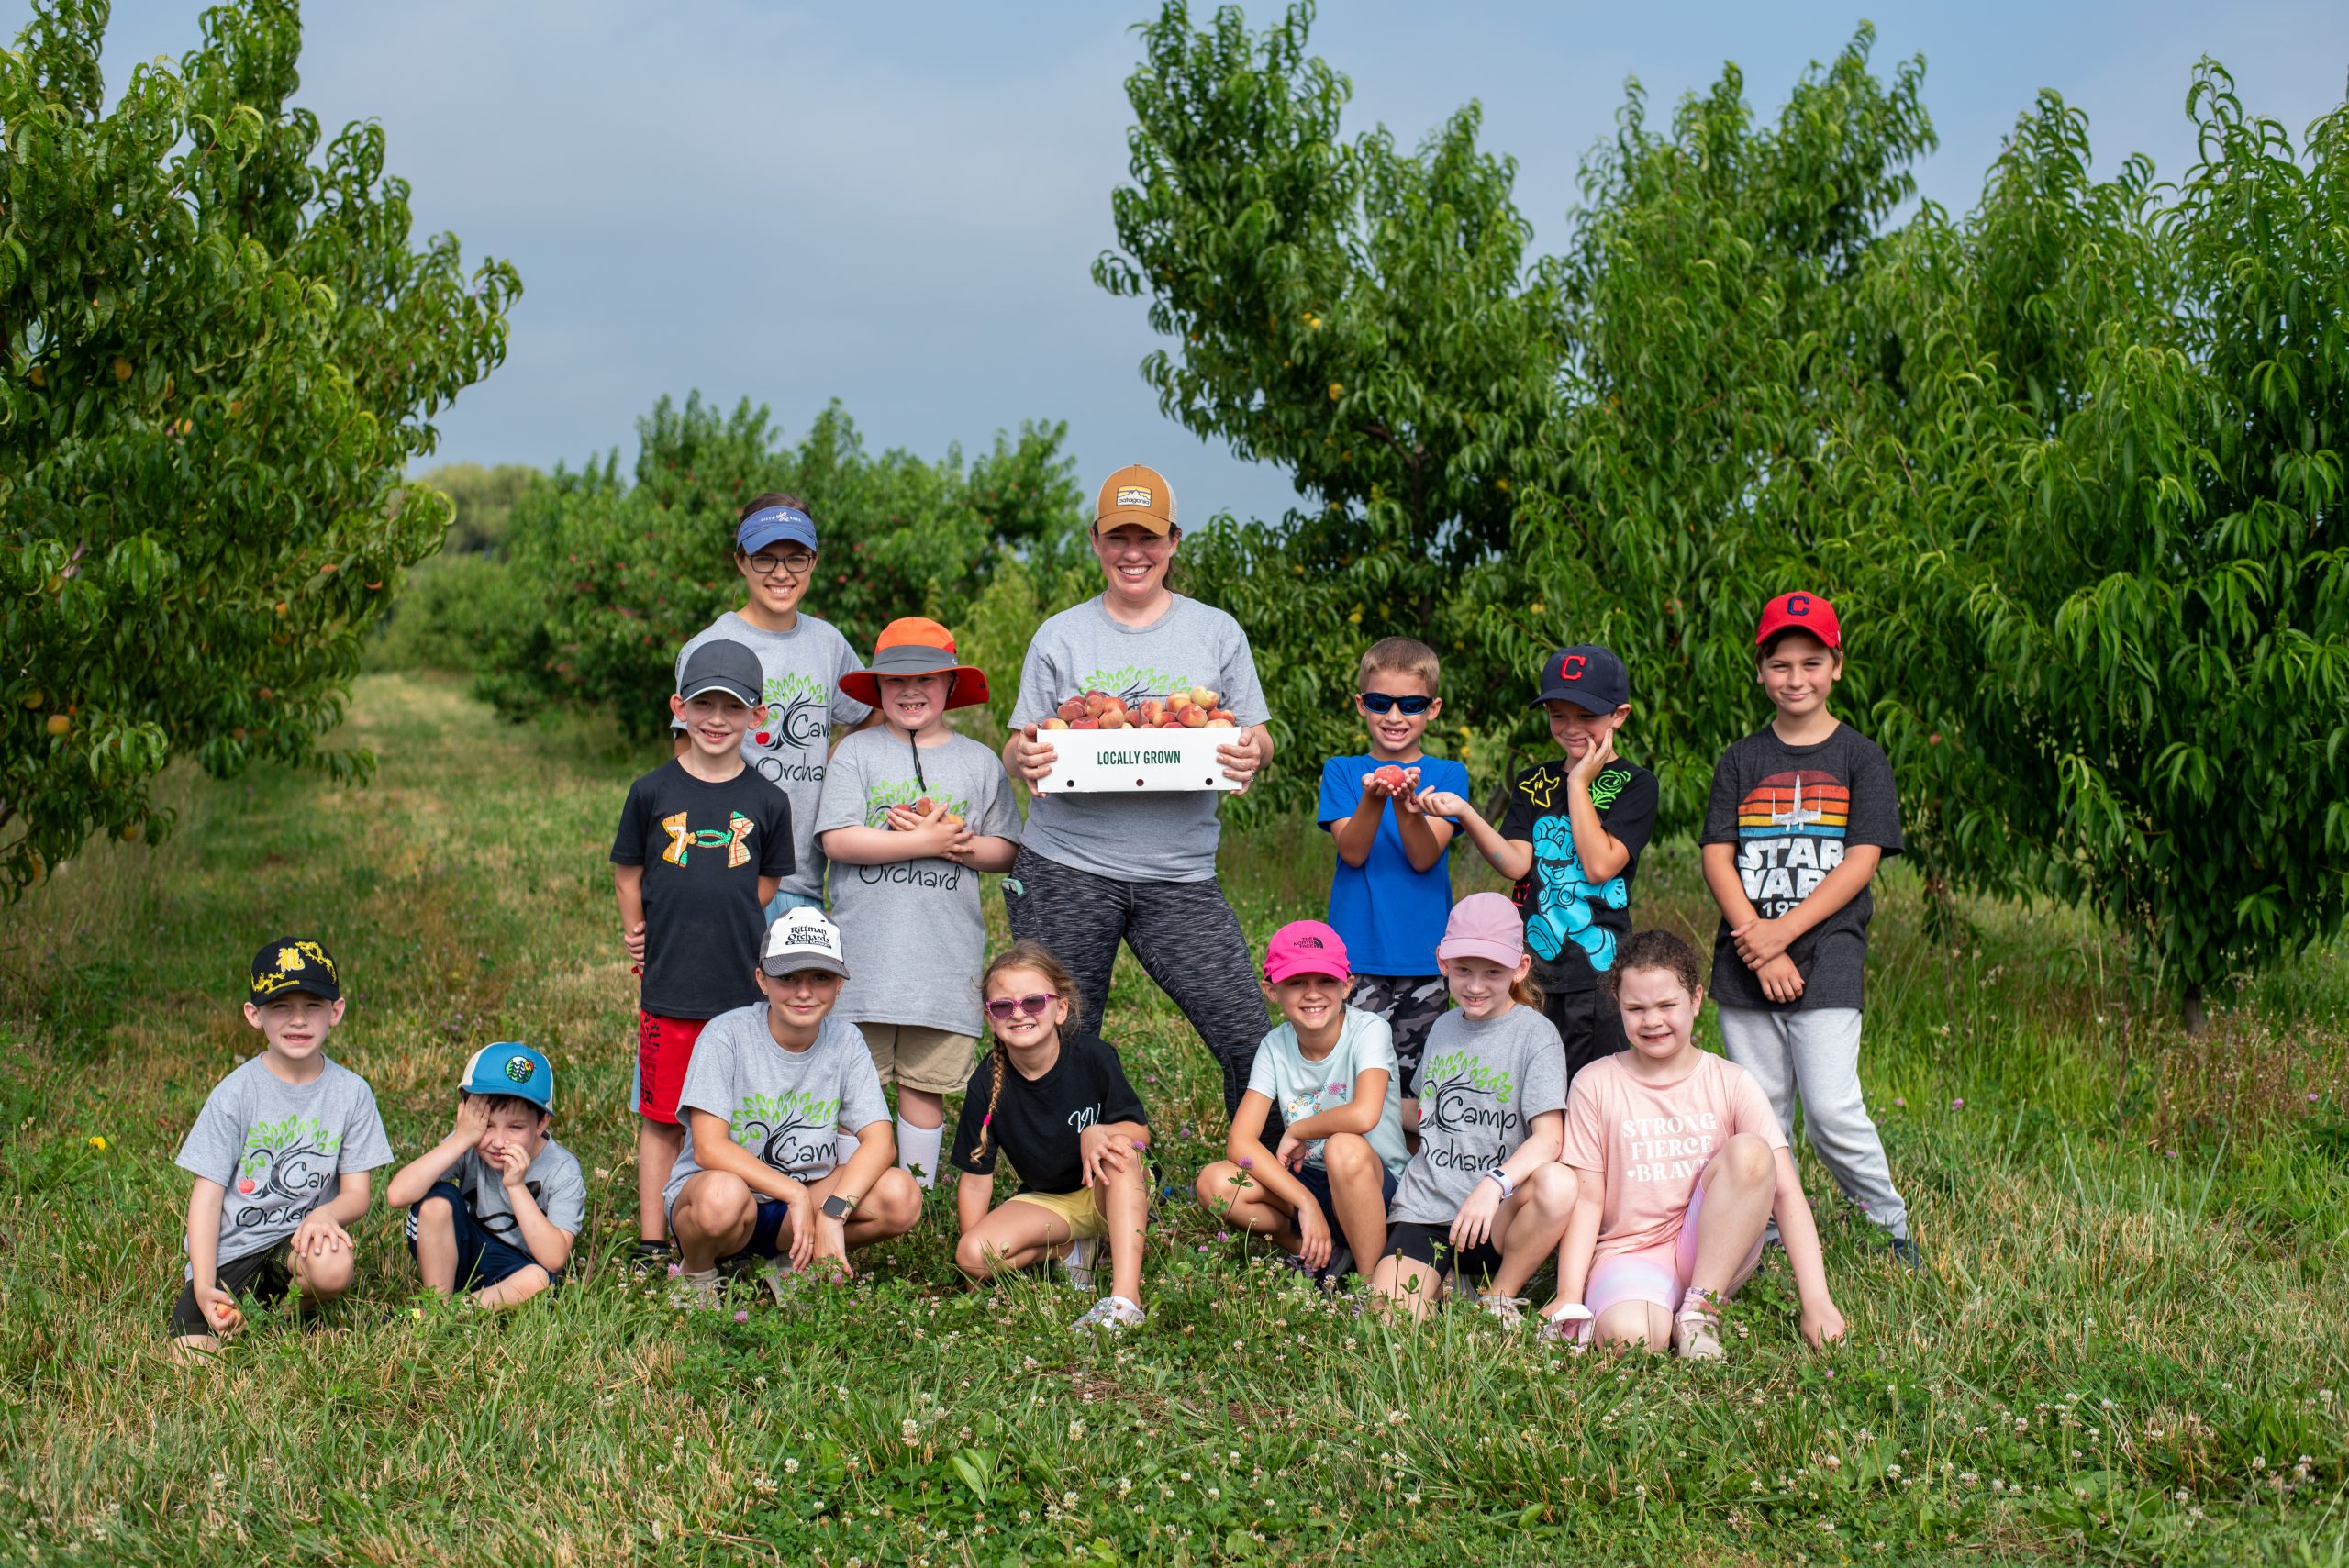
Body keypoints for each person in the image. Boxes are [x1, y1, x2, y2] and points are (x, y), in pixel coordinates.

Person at [998, 464, 1274, 1114]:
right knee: (1057, 1041)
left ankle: (1260, 1181)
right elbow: (1017, 745)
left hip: (1178, 871)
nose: (1133, 553)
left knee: (1246, 1035)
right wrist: (1027, 755)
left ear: (1173, 541)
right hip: (1068, 865)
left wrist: (1249, 754)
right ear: (1095, 540)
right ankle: (1063, 1192)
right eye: (1118, 537)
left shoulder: (1215, 631)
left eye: (1147, 538)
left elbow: (1258, 735)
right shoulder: (1060, 635)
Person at [1700, 591, 1917, 1265]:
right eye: (1781, 663)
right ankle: (1762, 1233)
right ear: (1760, 669)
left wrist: (1783, 932)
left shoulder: (1860, 757)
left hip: (1827, 954)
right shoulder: (1740, 759)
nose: (1796, 678)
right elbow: (1717, 854)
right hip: (1744, 960)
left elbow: (1863, 858)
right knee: (1761, 1111)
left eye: (1811, 662)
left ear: (1836, 666)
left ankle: (1887, 1225)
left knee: (1829, 1109)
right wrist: (1757, 943)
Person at [1541, 929, 1848, 1357]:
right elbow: (1588, 1200)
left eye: (1667, 1005)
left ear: (1696, 1000)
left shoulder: (1731, 1081)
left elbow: (1786, 1194)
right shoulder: (1594, 1084)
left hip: (1712, 1250)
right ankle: (1649, 1310)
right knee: (1633, 1340)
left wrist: (1817, 1302)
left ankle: (1700, 1311)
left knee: (1753, 1153)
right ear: (1619, 1006)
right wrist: (1569, 1294)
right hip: (1630, 1253)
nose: (1652, 1020)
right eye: (1636, 1008)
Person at [815, 617, 1021, 1189]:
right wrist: (919, 841)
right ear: (875, 689)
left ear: (951, 687)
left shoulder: (978, 762)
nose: (911, 690)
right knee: (852, 1080)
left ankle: (915, 1188)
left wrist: (955, 844)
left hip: (942, 959)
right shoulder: (855, 754)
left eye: (928, 678)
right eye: (895, 679)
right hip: (865, 960)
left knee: (926, 1080)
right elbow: (837, 839)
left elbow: (1006, 848)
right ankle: (842, 1187)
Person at [612, 639, 796, 1269]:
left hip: (740, 991)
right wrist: (636, 926)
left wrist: (733, 911)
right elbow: (628, 869)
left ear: (757, 717)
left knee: (733, 1118)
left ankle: (731, 1227)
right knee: (664, 1116)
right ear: (679, 708)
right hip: (670, 986)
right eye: (704, 704)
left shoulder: (768, 801)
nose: (717, 719)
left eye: (733, 707)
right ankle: (651, 1238)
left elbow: (767, 881)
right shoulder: (651, 791)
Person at [1417, 644, 1658, 1084]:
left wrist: (1580, 782)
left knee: (1590, 1086)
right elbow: (1515, 863)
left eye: (1586, 716)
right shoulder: (1533, 782)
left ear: (1618, 715)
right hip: (1533, 970)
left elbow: (1601, 865)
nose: (1571, 728)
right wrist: (1467, 813)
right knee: (1532, 1082)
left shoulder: (1636, 785)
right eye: (1558, 715)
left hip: (1597, 974)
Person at [663, 909, 921, 1304]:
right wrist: (793, 1194)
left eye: (820, 978)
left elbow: (881, 1143)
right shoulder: (725, 1035)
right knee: (721, 1198)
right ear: (761, 980)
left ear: (840, 984)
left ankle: (788, 1260)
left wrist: (832, 1212)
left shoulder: (846, 1041)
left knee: (901, 1196)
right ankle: (697, 1272)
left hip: (806, 1200)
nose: (804, 992)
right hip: (726, 1199)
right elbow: (709, 1147)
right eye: (788, 977)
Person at [168, 939, 393, 1356]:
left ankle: (293, 1312)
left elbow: (358, 1195)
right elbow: (206, 1197)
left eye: (312, 1005)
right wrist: (202, 1284)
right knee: (189, 1362)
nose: (298, 1020)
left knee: (334, 1263)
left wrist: (325, 1214)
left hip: (296, 1246)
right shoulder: (235, 1095)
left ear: (336, 1012)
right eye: (281, 1007)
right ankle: (242, 1310)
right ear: (255, 1015)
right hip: (231, 1254)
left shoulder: (352, 1093)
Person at [1369, 895, 1577, 1321]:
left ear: (1519, 968)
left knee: (1558, 1184)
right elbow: (1428, 1113)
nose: (1476, 985)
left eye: (1492, 972)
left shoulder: (1536, 1036)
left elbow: (1550, 1138)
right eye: (1463, 969)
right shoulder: (1444, 1026)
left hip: (1495, 1215)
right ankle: (1449, 1280)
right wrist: (1357, 1107)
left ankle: (1497, 1296)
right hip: (1428, 1209)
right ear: (1443, 962)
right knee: (1388, 1319)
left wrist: (1494, 1185)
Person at [673, 493, 873, 920]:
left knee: (793, 990)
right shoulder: (710, 647)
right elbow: (685, 765)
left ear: (814, 562)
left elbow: (873, 712)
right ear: (740, 561)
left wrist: (837, 758)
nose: (781, 573)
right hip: (728, 870)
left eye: (795, 558)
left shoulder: (828, 643)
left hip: (803, 876)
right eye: (765, 558)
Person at [949, 941, 1154, 1333]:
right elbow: (976, 1180)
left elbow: (1139, 1132)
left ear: (1060, 1008)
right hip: (1050, 1203)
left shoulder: (1093, 1056)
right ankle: (1070, 1248)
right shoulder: (986, 1082)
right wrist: (971, 1270)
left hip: (1111, 1189)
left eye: (1034, 1002)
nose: (1019, 1013)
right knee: (973, 1255)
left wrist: (1099, 1131)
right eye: (1004, 1006)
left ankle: (1125, 1300)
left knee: (1119, 1151)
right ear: (991, 1019)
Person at [1193, 920, 1408, 1284]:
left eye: (1325, 980)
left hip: (1374, 1186)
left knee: (1344, 1148)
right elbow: (1240, 1142)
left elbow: (1365, 1114)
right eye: (1296, 982)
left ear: (1347, 985)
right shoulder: (1274, 1046)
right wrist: (1306, 1203)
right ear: (1271, 990)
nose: (1312, 994)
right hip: (1312, 1182)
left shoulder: (1369, 1030)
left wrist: (1299, 1129)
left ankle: (1371, 1286)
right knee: (1215, 1182)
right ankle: (1320, 1255)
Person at [1317, 637, 1469, 1137]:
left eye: (1412, 704)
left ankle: (1412, 1196)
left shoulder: (1448, 774)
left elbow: (1425, 857)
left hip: (1427, 961)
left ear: (1433, 709)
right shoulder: (1343, 771)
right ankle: (1360, 1184)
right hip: (1356, 960)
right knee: (1358, 1083)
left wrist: (1407, 805)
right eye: (1380, 702)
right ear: (1362, 704)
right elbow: (1353, 850)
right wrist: (1374, 800)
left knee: (1418, 1092)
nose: (1395, 715)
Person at [384, 1043, 583, 1311]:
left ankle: (448, 1313)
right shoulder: (468, 1143)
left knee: (537, 1280)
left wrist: (516, 1186)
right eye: (487, 1124)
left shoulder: (562, 1169)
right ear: (465, 1114)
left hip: (516, 1272)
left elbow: (554, 1259)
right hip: (463, 1253)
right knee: (436, 1203)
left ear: (541, 1123)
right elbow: (398, 1195)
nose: (498, 1141)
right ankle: (437, 1300)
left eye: (516, 1127)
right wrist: (462, 1139)